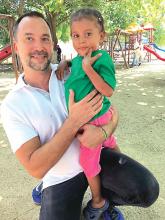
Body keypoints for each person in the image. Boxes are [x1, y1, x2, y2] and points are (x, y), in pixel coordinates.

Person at [1, 11, 159, 220]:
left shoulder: (71, 72)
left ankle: (103, 201)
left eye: (45, 38)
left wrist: (104, 132)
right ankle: (49, 191)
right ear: (16, 45)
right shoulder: (13, 104)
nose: (39, 46)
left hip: (97, 156)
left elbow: (111, 109)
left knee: (146, 189)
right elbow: (35, 166)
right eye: (29, 38)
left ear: (52, 43)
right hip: (60, 177)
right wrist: (74, 122)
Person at [56, 8, 118, 219]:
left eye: (88, 34)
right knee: (109, 144)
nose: (81, 41)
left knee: (88, 164)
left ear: (102, 36)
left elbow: (108, 90)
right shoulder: (83, 57)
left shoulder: (101, 58)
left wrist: (89, 70)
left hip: (93, 120)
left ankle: (99, 201)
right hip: (98, 116)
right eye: (76, 35)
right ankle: (120, 164)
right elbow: (79, 65)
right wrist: (67, 62)